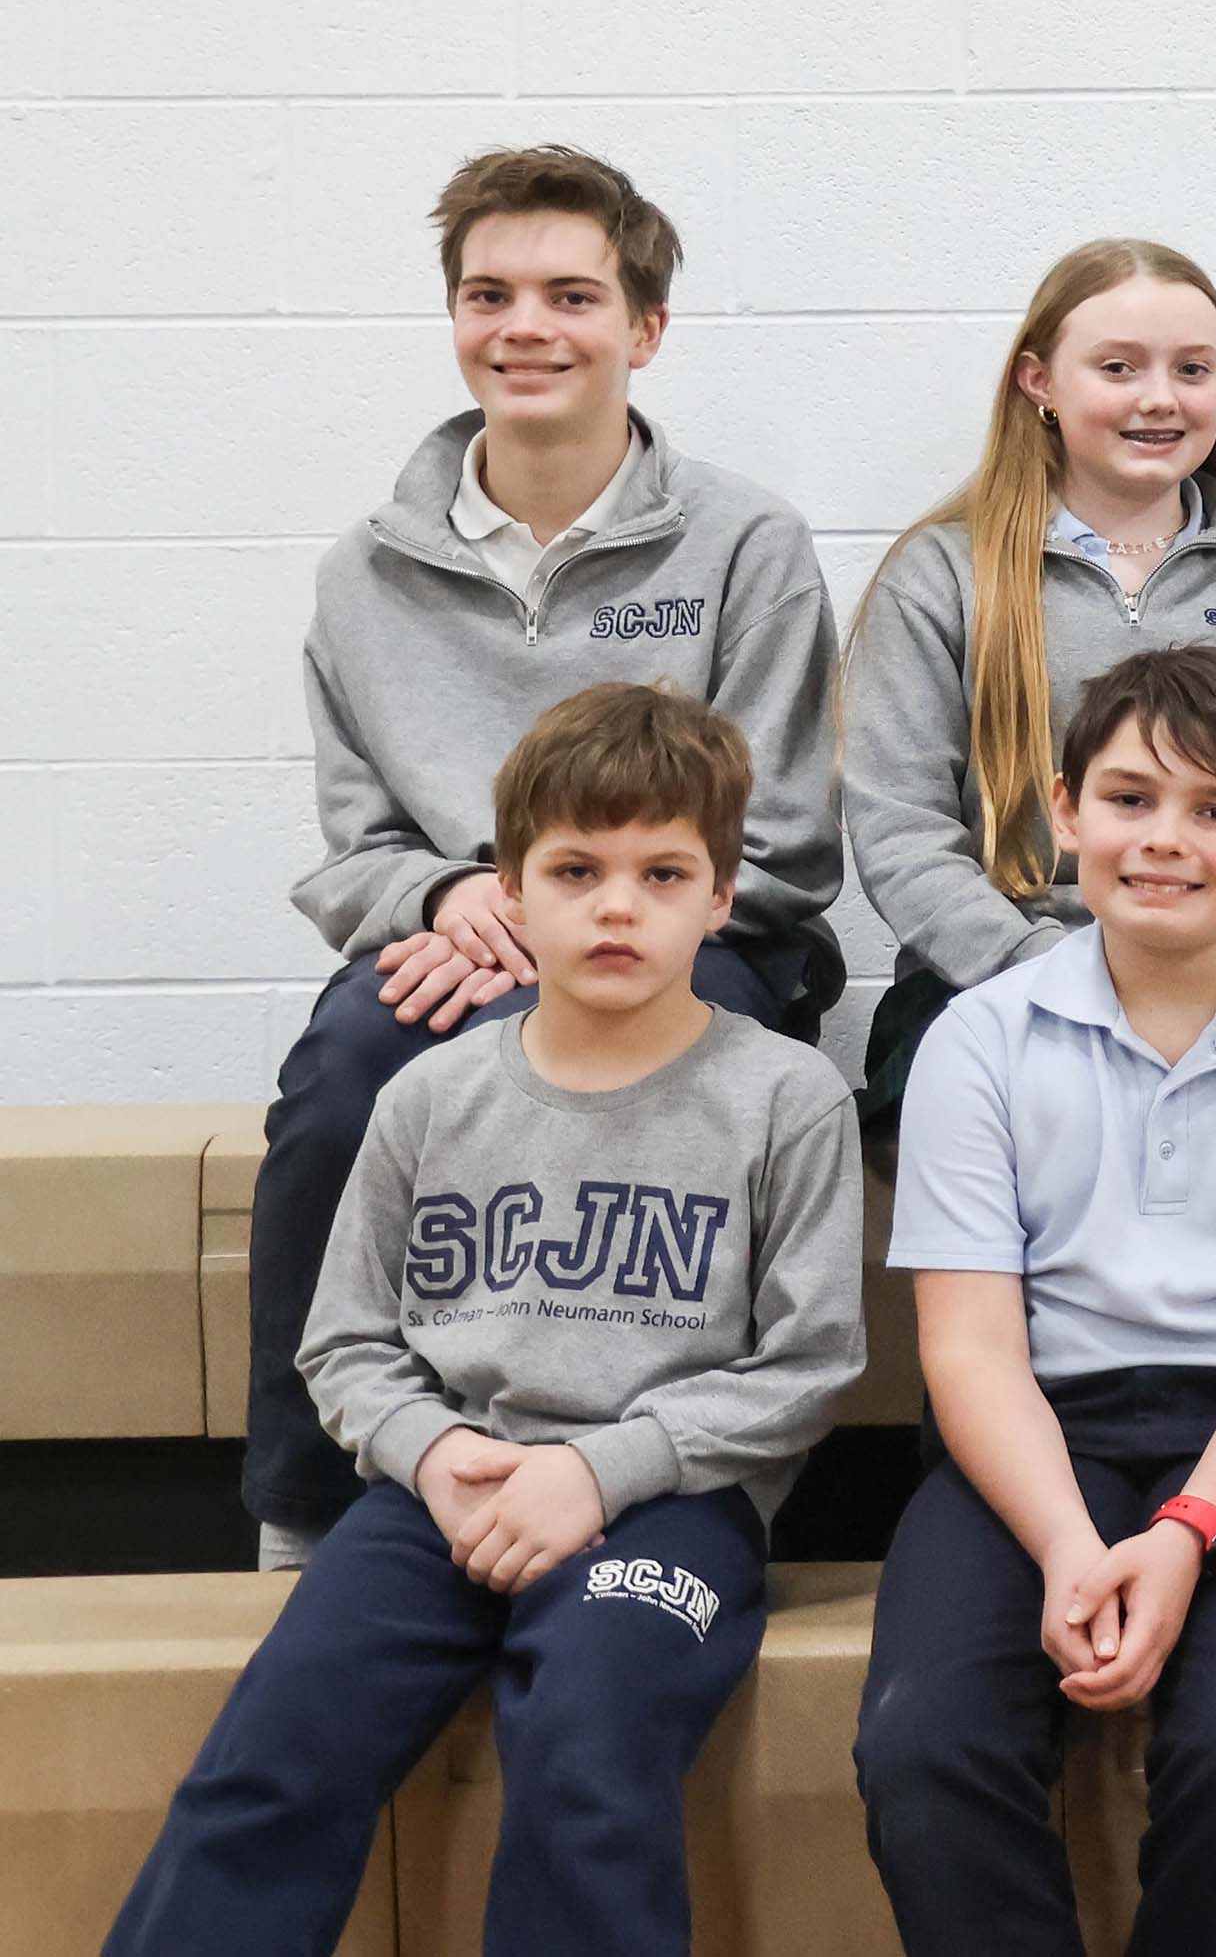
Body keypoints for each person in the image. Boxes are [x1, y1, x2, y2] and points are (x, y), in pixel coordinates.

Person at [106, 685, 863, 1957]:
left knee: (588, 1752)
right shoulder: (428, 1096)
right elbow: (344, 1342)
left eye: (663, 872)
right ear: (509, 890)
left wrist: (599, 1470)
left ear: (722, 898)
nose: (617, 905)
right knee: (274, 1747)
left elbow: (810, 1364)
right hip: (444, 1494)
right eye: (575, 869)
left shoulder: (786, 1099)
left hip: (670, 1503)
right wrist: (436, 1454)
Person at [247, 144, 842, 1565]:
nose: (525, 326)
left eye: (572, 295)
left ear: (645, 327)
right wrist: (457, 895)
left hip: (696, 936)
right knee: (337, 1080)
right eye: (489, 293)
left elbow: (785, 842)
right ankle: (311, 1503)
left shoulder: (746, 543)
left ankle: (663, 1477)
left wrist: (575, 917)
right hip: (459, 928)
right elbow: (356, 848)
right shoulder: (364, 570)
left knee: (641, 1065)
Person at [852, 648, 1216, 1957]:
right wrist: (1069, 1544)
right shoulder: (978, 1036)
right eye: (1129, 798)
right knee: (923, 1744)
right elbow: (970, 1351)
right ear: (1065, 812)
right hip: (1035, 1435)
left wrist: (1182, 1533)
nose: (1165, 838)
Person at [840, 238, 1216, 1132]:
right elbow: (899, 827)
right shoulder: (942, 577)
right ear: (1038, 382)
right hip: (991, 983)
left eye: (1192, 369)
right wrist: (1047, 973)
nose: (1159, 397)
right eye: (1118, 367)